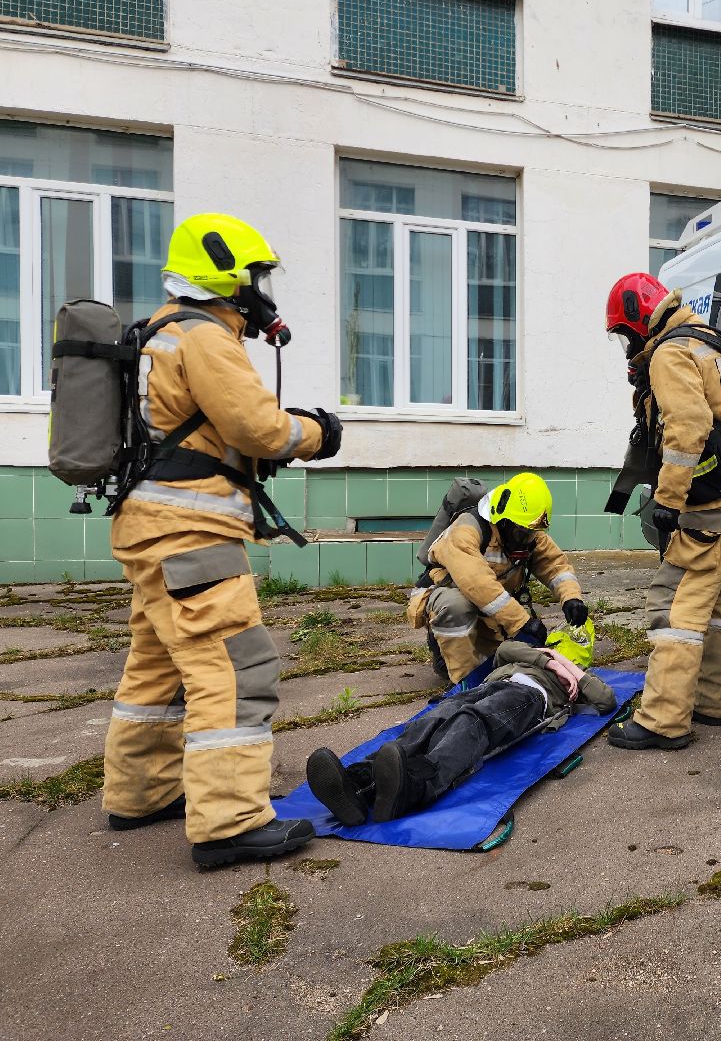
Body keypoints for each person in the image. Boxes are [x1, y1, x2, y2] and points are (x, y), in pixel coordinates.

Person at [102, 213, 343, 868]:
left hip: (145, 526)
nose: (260, 288)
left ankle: (141, 793)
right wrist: (320, 432)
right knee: (234, 669)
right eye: (254, 274)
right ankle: (228, 822)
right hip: (191, 528)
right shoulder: (204, 337)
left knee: (155, 666)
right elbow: (259, 429)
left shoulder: (154, 332)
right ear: (224, 274)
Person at [602, 273, 721, 751]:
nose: (627, 343)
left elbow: (689, 426)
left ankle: (662, 720)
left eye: (624, 332)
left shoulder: (670, 352)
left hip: (710, 502)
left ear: (638, 319)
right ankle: (711, 701)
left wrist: (669, 502)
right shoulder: (708, 340)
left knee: (677, 605)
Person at [305, 627, 615, 824]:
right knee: (436, 717)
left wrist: (573, 672)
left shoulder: (577, 679)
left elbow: (606, 701)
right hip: (490, 686)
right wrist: (549, 659)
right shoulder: (534, 657)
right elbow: (505, 649)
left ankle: (417, 785)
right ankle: (359, 783)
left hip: (528, 698)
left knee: (474, 722)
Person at [408, 472, 588, 685]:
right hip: (447, 601)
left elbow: (555, 566)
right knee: (455, 605)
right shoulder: (466, 529)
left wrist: (571, 598)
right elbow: (477, 583)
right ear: (503, 520)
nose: (527, 540)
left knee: (507, 663)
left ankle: (484, 656)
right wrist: (521, 622)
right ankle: (464, 681)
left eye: (531, 533)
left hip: (486, 608)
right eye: (522, 533)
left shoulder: (524, 529)